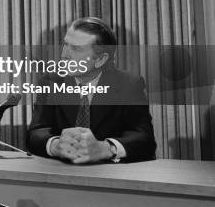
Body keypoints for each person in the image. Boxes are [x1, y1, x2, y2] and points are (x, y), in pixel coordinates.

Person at [27, 17, 156, 163]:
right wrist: (56, 145)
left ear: (100, 59)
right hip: (62, 174)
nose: (64, 55)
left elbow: (145, 140)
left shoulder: (129, 84)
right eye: (65, 44)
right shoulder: (51, 81)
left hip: (110, 176)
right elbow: (35, 133)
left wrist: (105, 149)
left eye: (76, 49)